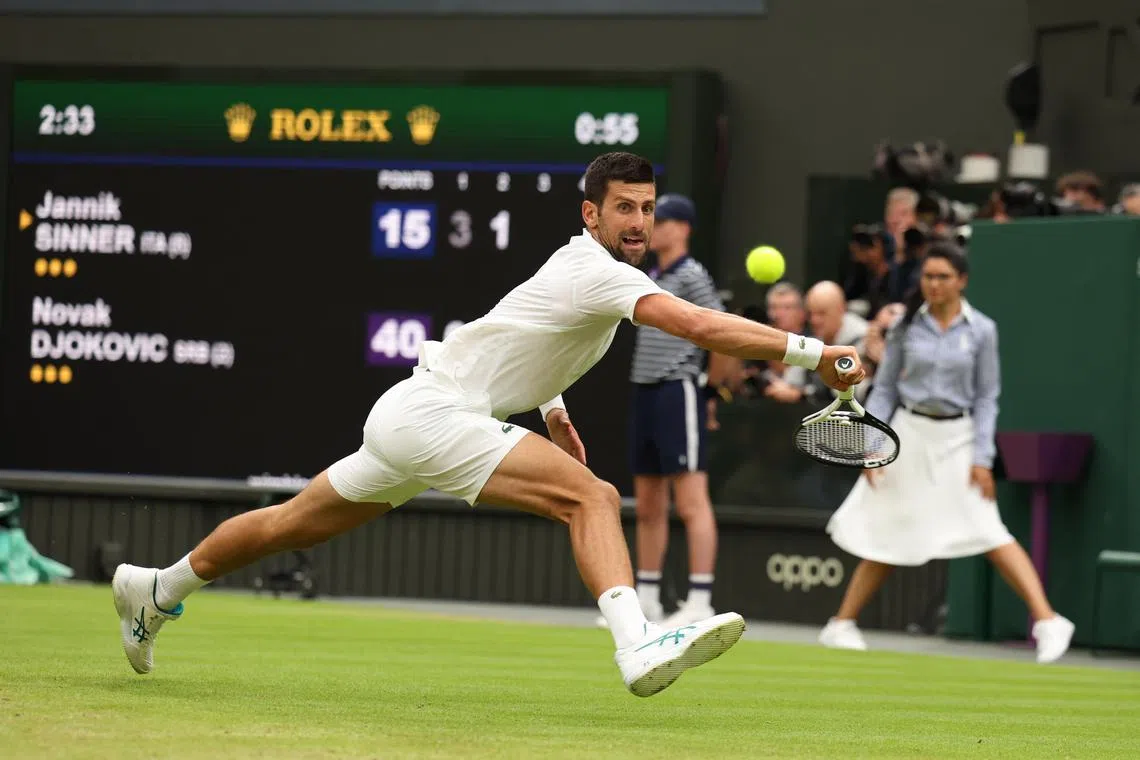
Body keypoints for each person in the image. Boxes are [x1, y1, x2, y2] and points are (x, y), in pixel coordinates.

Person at [112, 151, 865, 698]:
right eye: (625, 208)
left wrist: (556, 414)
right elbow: (697, 323)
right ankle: (636, 645)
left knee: (292, 525)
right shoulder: (598, 271)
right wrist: (813, 351)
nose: (639, 222)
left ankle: (154, 588)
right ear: (591, 213)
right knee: (594, 499)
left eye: (648, 208)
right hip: (438, 414)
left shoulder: (591, 273)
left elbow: (524, 339)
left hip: (411, 414)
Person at [817, 242, 1074, 664]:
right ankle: (841, 624)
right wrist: (872, 442)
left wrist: (982, 458)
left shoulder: (982, 330)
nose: (934, 284)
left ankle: (1047, 621)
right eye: (928, 276)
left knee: (989, 529)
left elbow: (988, 398)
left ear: (962, 281)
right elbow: (886, 389)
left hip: (959, 439)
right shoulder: (904, 327)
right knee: (888, 530)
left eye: (943, 277)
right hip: (908, 434)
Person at [618, 192, 738, 628]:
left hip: (678, 391)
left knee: (691, 501)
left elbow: (724, 333)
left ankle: (699, 601)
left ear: (682, 228)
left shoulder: (692, 276)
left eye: (661, 219)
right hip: (645, 390)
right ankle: (647, 598)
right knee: (648, 502)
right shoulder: (654, 275)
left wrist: (709, 393)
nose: (653, 226)